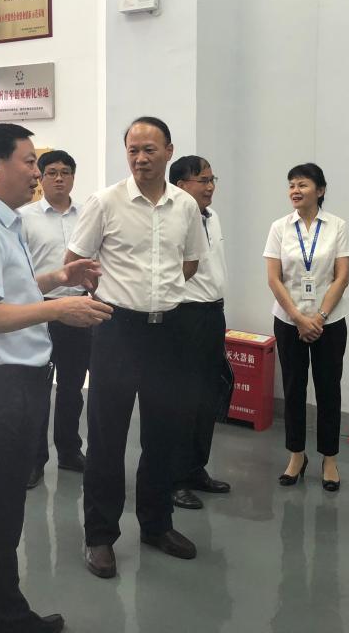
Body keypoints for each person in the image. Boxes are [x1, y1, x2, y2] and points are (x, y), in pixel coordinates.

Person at [0, 122, 110, 633]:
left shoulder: (0, 220)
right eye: (30, 161)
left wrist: (57, 279)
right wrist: (58, 310)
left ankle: (11, 614)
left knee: (6, 515)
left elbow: (5, 290)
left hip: (19, 383)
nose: (38, 173)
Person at [66, 116, 209, 579]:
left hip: (169, 331)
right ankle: (100, 536)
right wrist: (115, 295)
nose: (141, 158)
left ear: (169, 151)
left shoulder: (185, 205)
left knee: (164, 435)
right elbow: (75, 263)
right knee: (107, 438)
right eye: (133, 150)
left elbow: (190, 262)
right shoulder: (105, 202)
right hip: (117, 330)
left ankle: (157, 524)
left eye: (149, 149)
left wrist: (157, 292)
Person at [263, 163, 349, 492]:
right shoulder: (279, 228)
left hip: (330, 322)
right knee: (293, 388)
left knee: (329, 389)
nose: (295, 191)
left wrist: (320, 317)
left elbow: (341, 278)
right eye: (291, 185)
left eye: (302, 184)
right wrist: (299, 319)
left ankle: (330, 459)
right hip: (289, 322)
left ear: (321, 190)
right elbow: (274, 279)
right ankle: (296, 455)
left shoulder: (337, 226)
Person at [20, 149, 89, 488]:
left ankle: (70, 451)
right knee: (37, 388)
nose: (59, 178)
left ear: (73, 177)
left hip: (78, 308)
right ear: (41, 177)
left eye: (65, 172)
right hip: (40, 310)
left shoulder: (88, 215)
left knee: (72, 387)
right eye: (52, 172)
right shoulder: (24, 218)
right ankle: (34, 460)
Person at [168, 155, 231, 510]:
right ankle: (174, 479)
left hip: (212, 313)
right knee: (183, 401)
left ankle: (195, 470)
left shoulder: (212, 216)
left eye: (211, 179)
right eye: (202, 180)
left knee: (208, 396)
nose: (210, 187)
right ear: (181, 186)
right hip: (185, 315)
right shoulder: (173, 219)